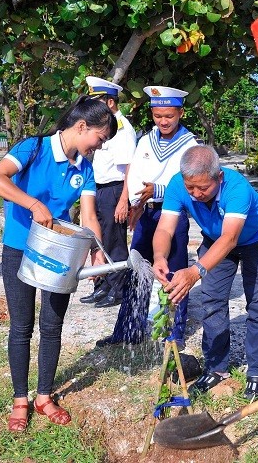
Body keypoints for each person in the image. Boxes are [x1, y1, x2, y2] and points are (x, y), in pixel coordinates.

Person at [0, 96, 117, 432]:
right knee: (21, 327)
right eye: (99, 139)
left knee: (52, 326)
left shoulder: (84, 168)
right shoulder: (33, 149)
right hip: (19, 248)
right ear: (82, 126)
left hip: (61, 254)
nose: (98, 148)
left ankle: (43, 396)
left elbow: (87, 214)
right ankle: (20, 400)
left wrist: (96, 248)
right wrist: (32, 204)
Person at [152, 144, 258, 400]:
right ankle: (216, 368)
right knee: (212, 301)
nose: (196, 194)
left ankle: (257, 372)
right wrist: (159, 256)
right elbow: (165, 229)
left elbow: (230, 238)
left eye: (204, 188)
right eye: (191, 188)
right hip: (214, 239)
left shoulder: (237, 187)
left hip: (255, 240)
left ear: (218, 177)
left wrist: (195, 271)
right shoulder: (178, 185)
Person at [96, 86, 196, 347]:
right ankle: (128, 330)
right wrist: (133, 203)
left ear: (180, 113)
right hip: (146, 213)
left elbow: (189, 184)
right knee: (136, 270)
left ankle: (174, 333)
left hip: (172, 215)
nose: (163, 121)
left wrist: (159, 190)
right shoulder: (146, 140)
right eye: (158, 115)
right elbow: (133, 173)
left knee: (174, 274)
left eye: (169, 116)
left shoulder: (190, 145)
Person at [79, 76, 137, 308]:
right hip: (99, 189)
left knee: (114, 242)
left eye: (99, 102)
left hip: (114, 190)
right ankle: (101, 286)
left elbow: (129, 169)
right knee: (99, 240)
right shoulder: (102, 126)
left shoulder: (122, 129)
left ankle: (118, 289)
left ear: (110, 103)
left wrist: (124, 200)